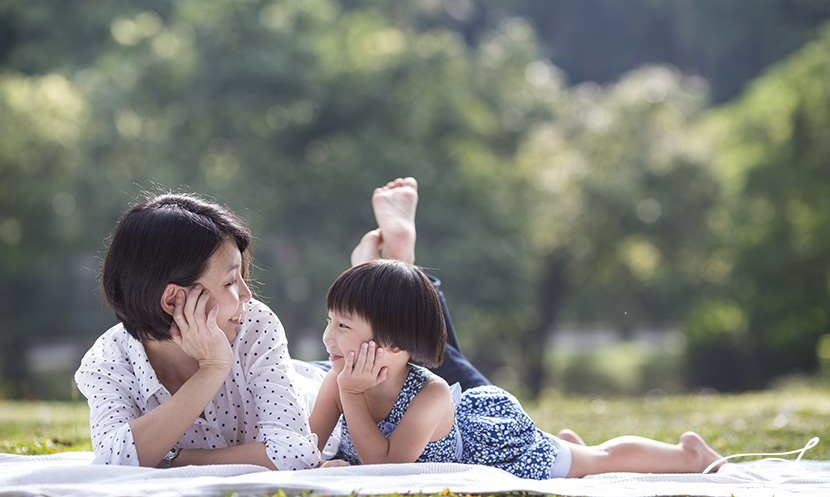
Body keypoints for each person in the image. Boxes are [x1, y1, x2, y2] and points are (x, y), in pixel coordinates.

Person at [74, 177, 487, 470]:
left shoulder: (253, 324)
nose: (248, 296)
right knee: (389, 335)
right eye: (230, 281)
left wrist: (171, 457)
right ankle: (385, 275)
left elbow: (296, 453)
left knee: (436, 374)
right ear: (175, 298)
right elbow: (113, 459)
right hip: (336, 384)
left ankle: (390, 274)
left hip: (332, 389)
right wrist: (211, 372)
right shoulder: (109, 362)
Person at [308, 259, 726, 479]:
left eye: (343, 326)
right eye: (330, 321)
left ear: (395, 343)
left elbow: (390, 470)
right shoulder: (336, 379)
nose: (328, 337)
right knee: (579, 457)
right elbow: (306, 448)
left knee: (597, 460)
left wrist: (352, 395)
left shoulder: (429, 393)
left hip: (498, 451)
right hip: (452, 441)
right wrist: (321, 462)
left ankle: (688, 455)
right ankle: (567, 445)